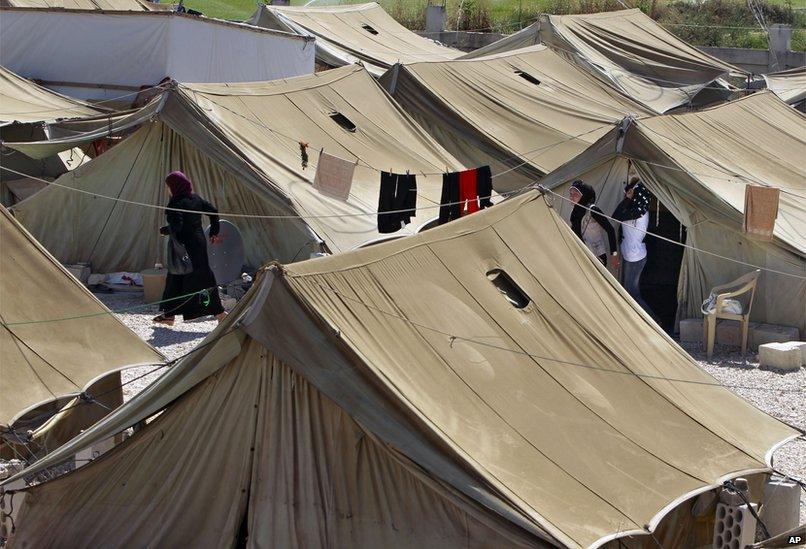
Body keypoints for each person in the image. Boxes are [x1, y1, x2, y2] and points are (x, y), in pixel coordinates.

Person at [153, 171, 226, 325]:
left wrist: (164, 230)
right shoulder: (196, 199)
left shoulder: (176, 203)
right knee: (178, 278)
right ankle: (169, 315)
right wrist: (214, 232)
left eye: (168, 187)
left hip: (184, 248)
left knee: (187, 277)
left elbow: (177, 226)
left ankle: (220, 313)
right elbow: (213, 211)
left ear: (174, 187)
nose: (168, 190)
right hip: (198, 244)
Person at [612, 178, 655, 318]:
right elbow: (617, 215)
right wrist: (628, 199)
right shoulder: (634, 209)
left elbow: (616, 215)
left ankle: (653, 319)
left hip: (635, 256)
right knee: (629, 290)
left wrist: (628, 199)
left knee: (632, 292)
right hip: (630, 254)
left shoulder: (639, 212)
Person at [568, 180, 619, 269]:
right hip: (581, 253)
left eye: (575, 194)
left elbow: (610, 230)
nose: (571, 197)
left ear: (584, 196)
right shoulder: (574, 211)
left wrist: (614, 254)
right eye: (571, 194)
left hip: (596, 256)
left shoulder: (593, 210)